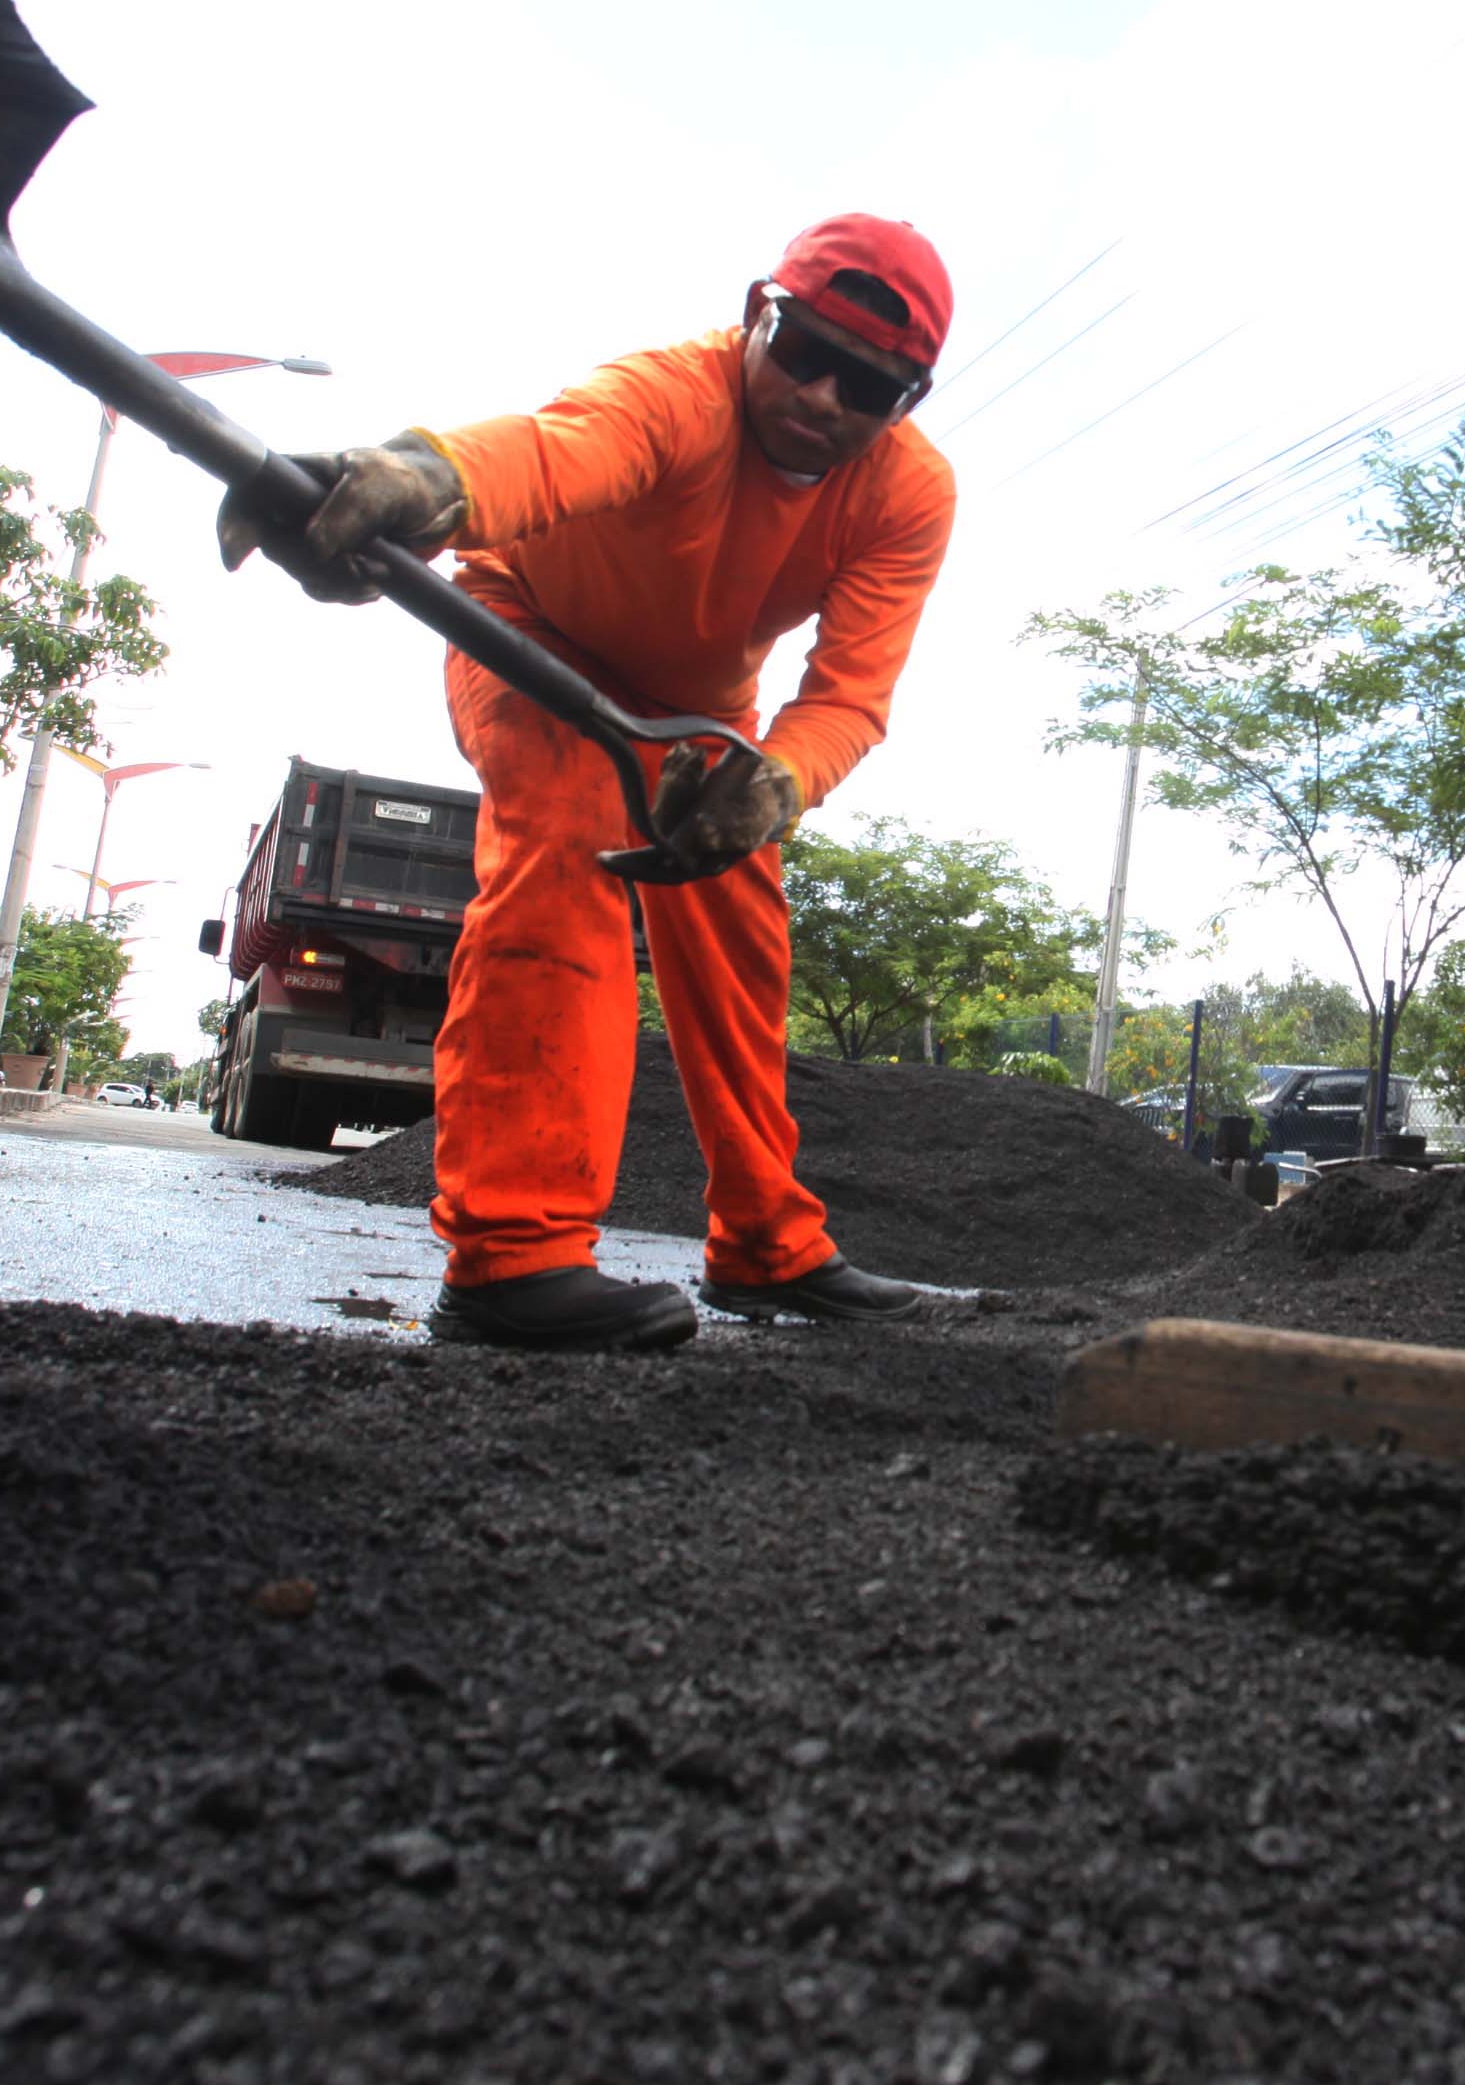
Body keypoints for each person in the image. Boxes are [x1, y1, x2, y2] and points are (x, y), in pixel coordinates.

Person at [221, 217, 959, 1354]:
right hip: (529, 630)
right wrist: (422, 477)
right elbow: (554, 449)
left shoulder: (908, 496)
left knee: (740, 933)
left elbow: (853, 692)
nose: (821, 395)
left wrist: (777, 784)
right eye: (803, 350)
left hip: (701, 711)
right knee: (563, 849)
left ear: (905, 400)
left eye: (864, 384)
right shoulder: (677, 391)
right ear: (758, 313)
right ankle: (510, 1261)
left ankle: (768, 1248)